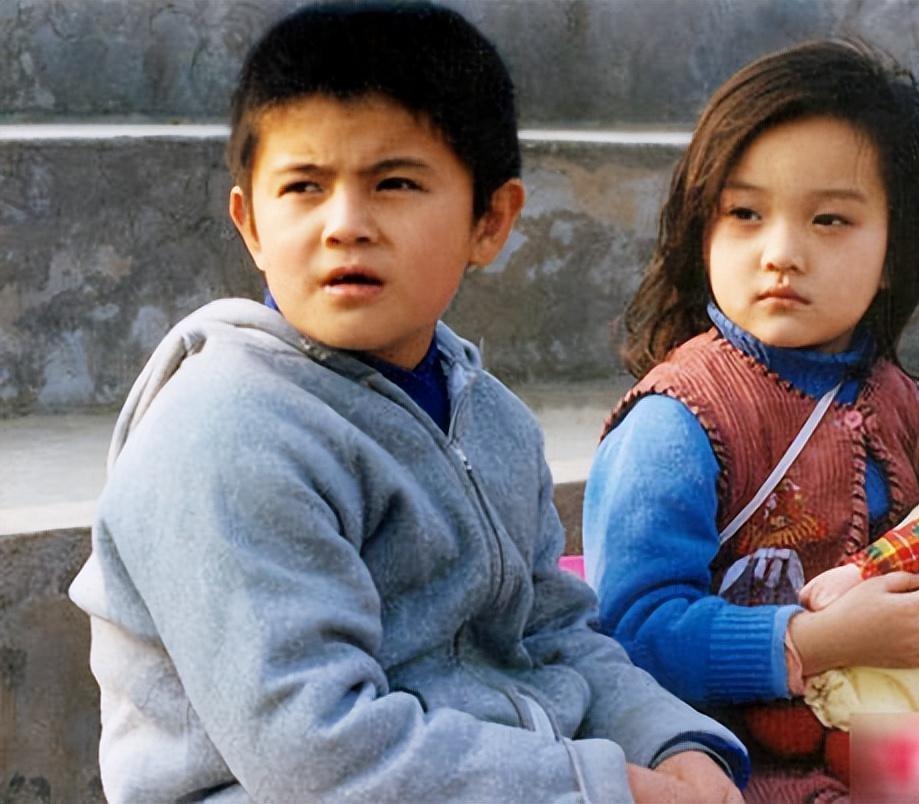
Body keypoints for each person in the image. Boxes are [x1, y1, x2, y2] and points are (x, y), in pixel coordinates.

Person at [68, 3, 748, 801]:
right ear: (251, 225)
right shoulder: (222, 436)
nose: (345, 225)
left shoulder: (489, 418)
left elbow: (554, 632)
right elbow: (314, 755)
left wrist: (669, 743)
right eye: (304, 186)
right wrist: (605, 786)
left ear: (489, 221)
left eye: (394, 183)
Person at [582, 39, 919, 801]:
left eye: (829, 219)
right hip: (748, 763)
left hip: (909, 754)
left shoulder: (906, 411)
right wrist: (814, 641)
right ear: (701, 228)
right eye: (745, 214)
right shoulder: (675, 424)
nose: (782, 253)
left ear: (893, 253)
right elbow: (630, 635)